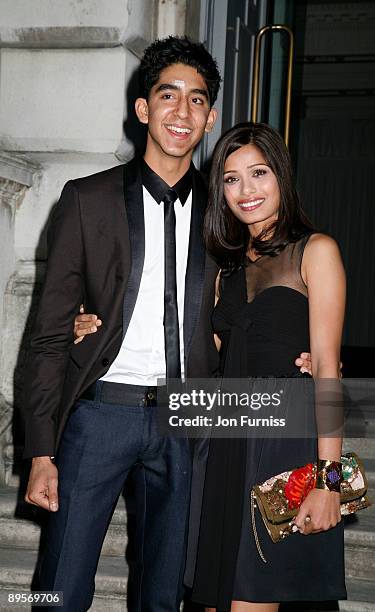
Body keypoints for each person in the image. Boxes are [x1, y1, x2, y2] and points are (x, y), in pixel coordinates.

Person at [22, 36, 222, 612]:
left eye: (197, 100)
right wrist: (41, 451)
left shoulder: (224, 211)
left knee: (164, 595)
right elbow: (49, 333)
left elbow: (250, 306)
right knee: (57, 591)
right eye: (168, 96)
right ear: (143, 109)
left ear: (209, 119)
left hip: (189, 418)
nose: (181, 112)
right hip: (100, 414)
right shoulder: (87, 200)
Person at [186, 122, 347, 611]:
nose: (246, 190)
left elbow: (326, 371)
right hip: (222, 445)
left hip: (283, 446)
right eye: (231, 179)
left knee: (254, 596)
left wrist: (328, 482)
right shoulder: (224, 268)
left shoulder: (316, 251)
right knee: (214, 599)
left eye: (258, 173)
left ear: (281, 175)